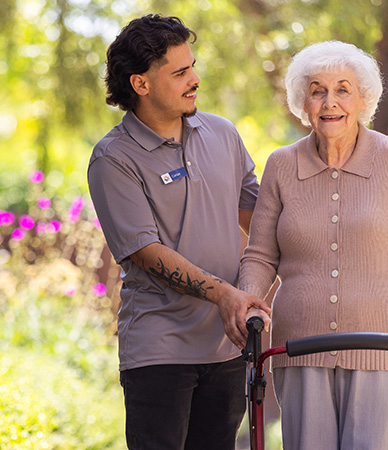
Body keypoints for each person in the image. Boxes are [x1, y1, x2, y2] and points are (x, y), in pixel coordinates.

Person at [238, 40, 388, 450]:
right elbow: (260, 255)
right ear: (302, 101)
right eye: (317, 89)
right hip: (300, 350)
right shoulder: (281, 166)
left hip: (383, 350)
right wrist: (249, 300)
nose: (330, 101)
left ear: (362, 99)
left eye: (343, 88)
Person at [87, 14, 270, 450]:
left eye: (192, 66)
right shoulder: (114, 159)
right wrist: (225, 293)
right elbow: (146, 252)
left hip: (229, 344)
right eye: (180, 72)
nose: (196, 79)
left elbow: (260, 219)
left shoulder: (222, 134)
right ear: (141, 84)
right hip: (159, 349)